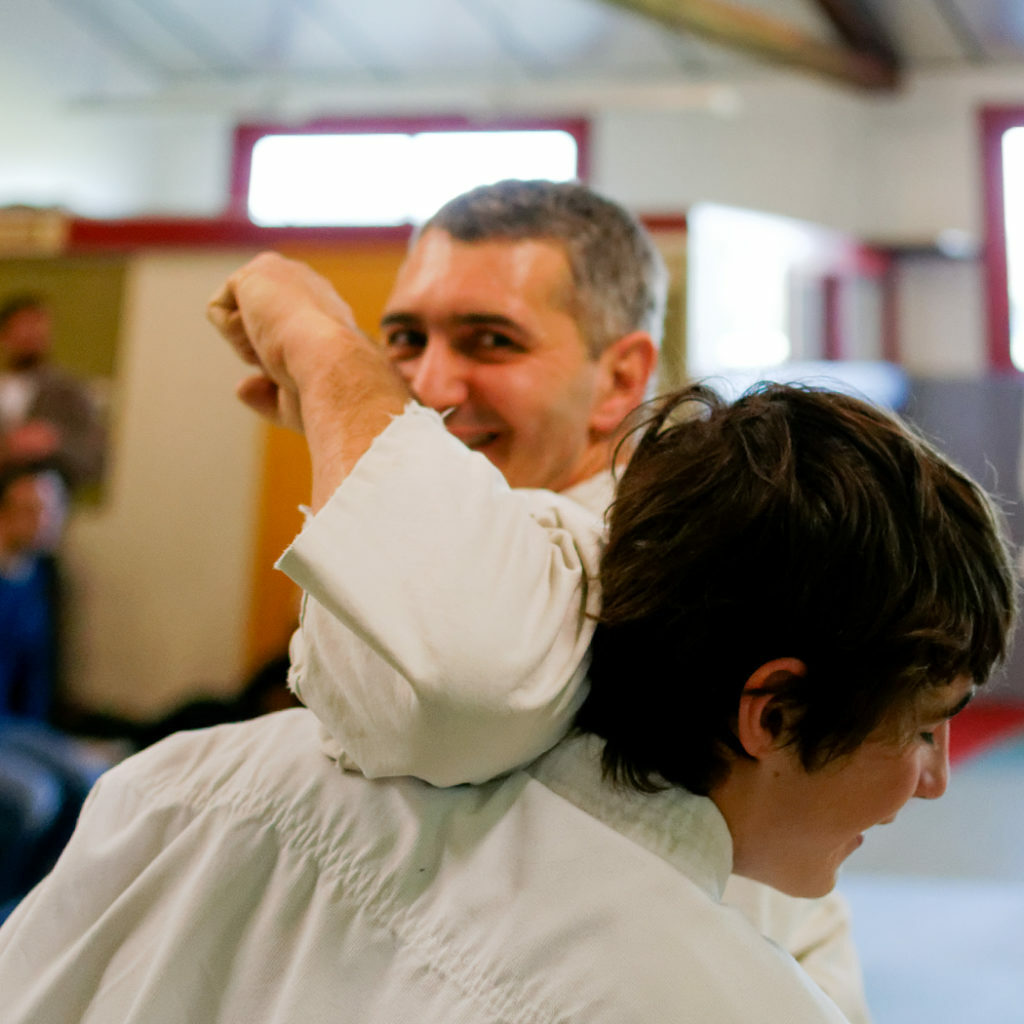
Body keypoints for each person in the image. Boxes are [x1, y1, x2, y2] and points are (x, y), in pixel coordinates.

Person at [0, 287, 1013, 1020]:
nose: (931, 782)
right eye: (923, 728)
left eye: (488, 340)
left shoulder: (199, 784)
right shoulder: (732, 1000)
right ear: (774, 711)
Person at [269, 182, 871, 1016]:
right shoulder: (494, 542)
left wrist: (315, 342)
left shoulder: (652, 582)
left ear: (622, 375)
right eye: (401, 339)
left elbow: (442, 686)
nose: (428, 382)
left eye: (491, 340)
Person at [0, 294, 107, 547]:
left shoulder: (68, 393)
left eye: (38, 326)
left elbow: (94, 457)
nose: (32, 335)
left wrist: (53, 444)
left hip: (41, 525)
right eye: (23, 326)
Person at [0, 467, 57, 722]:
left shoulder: (40, 576)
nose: (41, 522)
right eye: (31, 511)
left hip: (22, 728)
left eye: (46, 512)